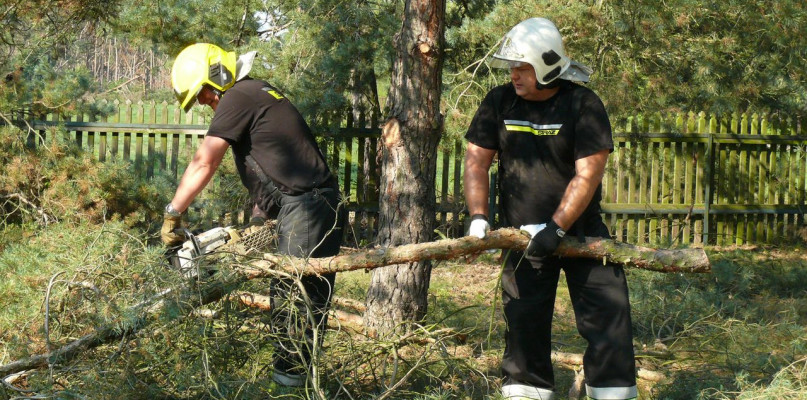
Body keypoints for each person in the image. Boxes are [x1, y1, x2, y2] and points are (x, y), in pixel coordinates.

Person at [463, 18, 637, 400]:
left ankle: (612, 392)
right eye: (511, 66)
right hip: (522, 237)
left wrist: (555, 229)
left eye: (521, 67)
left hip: (582, 233)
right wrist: (478, 217)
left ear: (545, 66)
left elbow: (587, 176)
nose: (514, 74)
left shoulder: (583, 104)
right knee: (523, 323)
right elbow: (476, 162)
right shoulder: (498, 101)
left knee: (609, 320)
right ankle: (527, 391)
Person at [161, 43, 345, 387]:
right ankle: (299, 383)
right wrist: (261, 222)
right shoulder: (257, 92)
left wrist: (173, 214)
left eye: (202, 95)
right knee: (300, 302)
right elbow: (273, 160)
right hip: (311, 204)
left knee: (293, 305)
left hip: (308, 207)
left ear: (216, 76)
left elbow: (204, 161)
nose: (204, 103)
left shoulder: (238, 96)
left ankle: (289, 389)